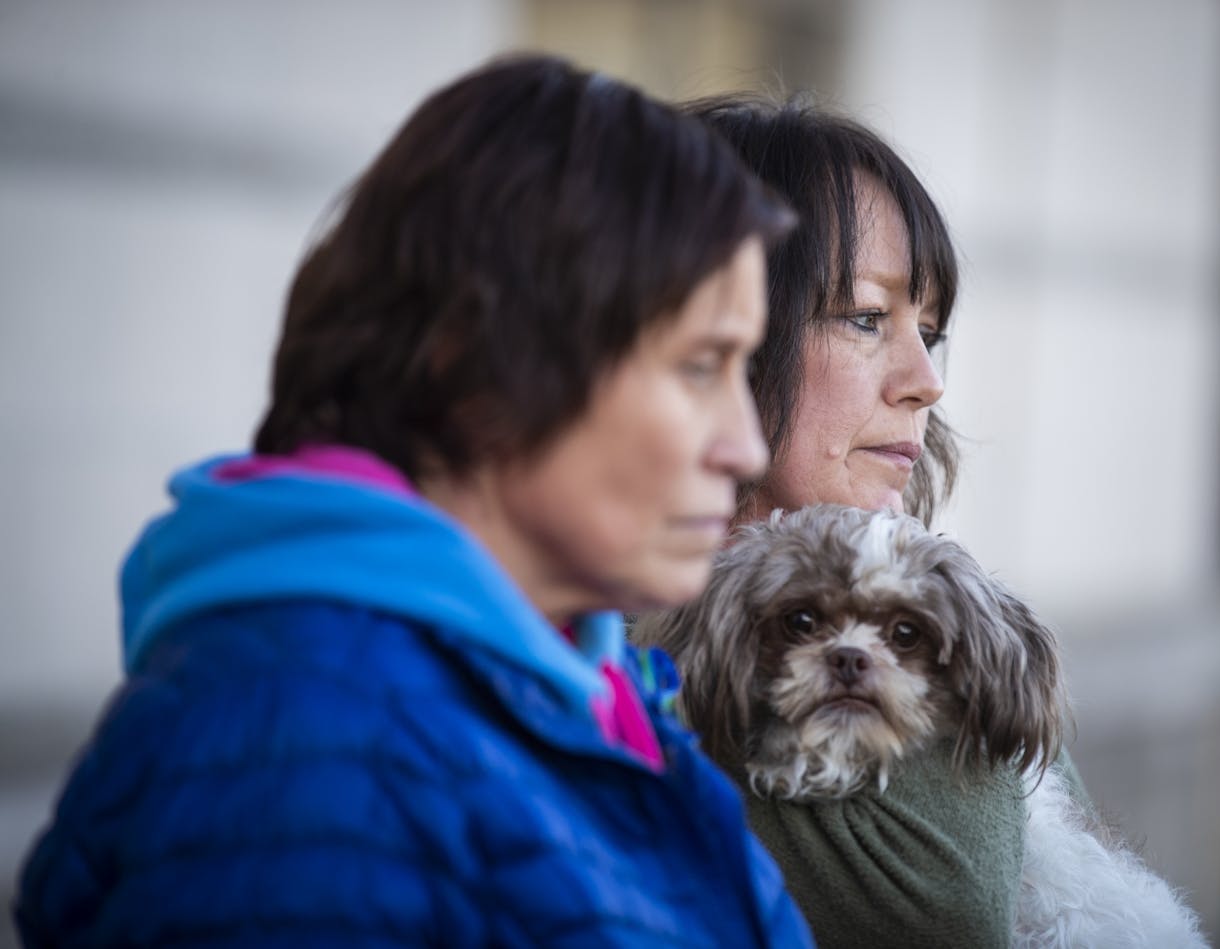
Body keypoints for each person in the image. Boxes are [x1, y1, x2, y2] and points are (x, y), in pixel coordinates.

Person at [13, 55, 812, 947]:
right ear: (479, 364)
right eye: (699, 364)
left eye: (745, 367)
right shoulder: (311, 744)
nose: (744, 444)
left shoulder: (585, 684)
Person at [677, 94, 1093, 948]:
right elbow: (947, 908)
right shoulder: (618, 656)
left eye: (929, 330)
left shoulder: (964, 618)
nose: (926, 379)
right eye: (868, 317)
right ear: (714, 333)